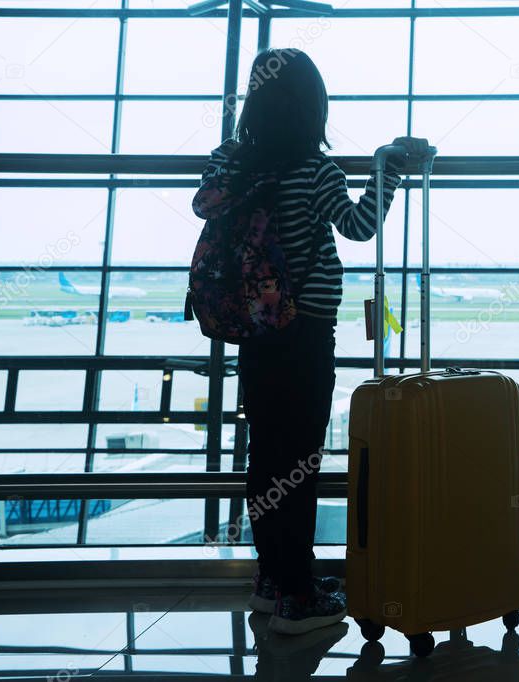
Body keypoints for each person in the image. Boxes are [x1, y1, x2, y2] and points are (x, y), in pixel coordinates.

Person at [192, 47, 428, 636]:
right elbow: (359, 226)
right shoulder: (313, 170)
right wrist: (386, 169)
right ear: (312, 109)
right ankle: (299, 597)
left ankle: (272, 581)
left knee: (266, 455)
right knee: (299, 462)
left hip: (253, 330)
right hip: (304, 334)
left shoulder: (233, 167)